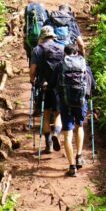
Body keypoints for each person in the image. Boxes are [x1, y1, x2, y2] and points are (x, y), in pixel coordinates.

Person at [54, 43, 95, 177]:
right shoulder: (85, 66)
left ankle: (72, 167)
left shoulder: (60, 66)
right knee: (80, 127)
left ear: (65, 53)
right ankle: (79, 156)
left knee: (67, 134)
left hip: (65, 103)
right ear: (77, 52)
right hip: (81, 102)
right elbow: (92, 85)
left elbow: (53, 83)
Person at [29, 25, 64, 153]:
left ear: (42, 37)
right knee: (58, 113)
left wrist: (32, 81)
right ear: (53, 36)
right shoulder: (61, 48)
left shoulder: (37, 50)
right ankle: (56, 133)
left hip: (44, 86)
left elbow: (33, 70)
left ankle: (48, 144)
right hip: (59, 87)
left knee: (46, 114)